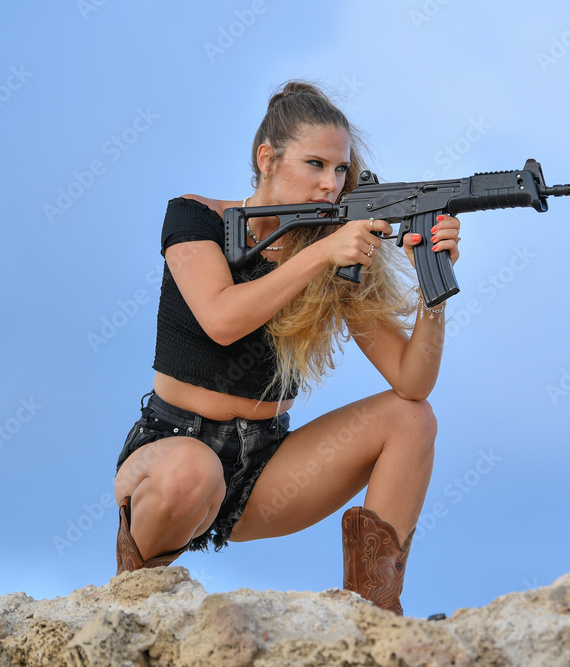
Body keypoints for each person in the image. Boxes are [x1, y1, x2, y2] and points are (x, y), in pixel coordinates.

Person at [113, 80, 461, 616]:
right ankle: (132, 601)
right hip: (173, 450)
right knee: (192, 473)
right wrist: (319, 258)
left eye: (341, 170)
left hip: (267, 466)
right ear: (267, 158)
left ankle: (373, 617)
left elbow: (412, 382)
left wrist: (432, 291)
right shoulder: (195, 218)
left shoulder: (334, 246)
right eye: (315, 164)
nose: (330, 183)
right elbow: (222, 319)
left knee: (412, 418)